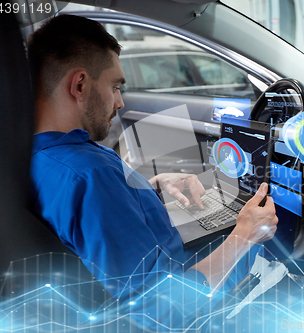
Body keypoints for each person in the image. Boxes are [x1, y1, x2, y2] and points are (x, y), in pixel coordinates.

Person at [28, 14, 278, 330]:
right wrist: (244, 236)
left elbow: (98, 220)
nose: (119, 102)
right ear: (79, 85)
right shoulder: (91, 175)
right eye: (115, 86)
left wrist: (151, 188)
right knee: (273, 239)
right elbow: (160, 312)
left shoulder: (43, 156)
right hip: (195, 300)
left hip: (167, 271)